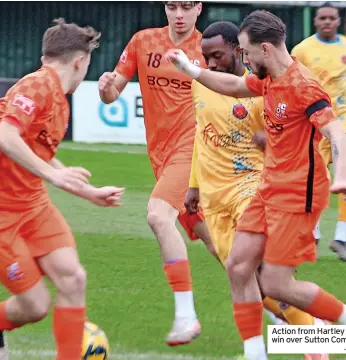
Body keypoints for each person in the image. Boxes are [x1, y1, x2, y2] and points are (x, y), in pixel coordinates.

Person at [164, 9, 346, 360]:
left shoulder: (303, 86)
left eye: (247, 52)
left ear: (265, 49)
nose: (244, 59)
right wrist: (189, 69)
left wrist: (341, 178)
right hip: (269, 189)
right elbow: (233, 86)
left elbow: (336, 133)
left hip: (298, 195)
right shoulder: (269, 80)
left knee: (277, 284)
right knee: (237, 267)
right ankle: (255, 354)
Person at [0, 19, 125, 360]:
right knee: (36, 305)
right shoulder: (37, 85)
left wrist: (88, 191)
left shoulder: (60, 100)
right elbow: (5, 138)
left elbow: (35, 151)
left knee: (73, 279)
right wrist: (55, 178)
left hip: (33, 205)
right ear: (80, 61)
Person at [185, 20, 329, 360]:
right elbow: (201, 134)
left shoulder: (266, 89)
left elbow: (300, 143)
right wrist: (193, 184)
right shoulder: (204, 85)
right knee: (243, 276)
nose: (211, 64)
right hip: (213, 195)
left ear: (240, 50)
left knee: (262, 275)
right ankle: (310, 332)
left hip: (255, 187)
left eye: (217, 56)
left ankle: (313, 341)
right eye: (206, 58)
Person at [98, 1, 212, 346]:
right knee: (227, 250)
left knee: (158, 216)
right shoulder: (143, 41)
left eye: (187, 6)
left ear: (198, 9)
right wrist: (106, 89)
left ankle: (185, 316)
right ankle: (302, 317)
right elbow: (113, 91)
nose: (179, 14)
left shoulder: (208, 49)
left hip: (194, 151)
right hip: (162, 157)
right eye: (173, 6)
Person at [291, 2, 346, 262]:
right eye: (322, 18)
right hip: (315, 120)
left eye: (331, 18)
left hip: (345, 117)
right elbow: (292, 84)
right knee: (317, 179)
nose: (327, 22)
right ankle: (313, 232)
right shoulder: (301, 50)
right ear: (316, 21)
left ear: (338, 21)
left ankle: (341, 238)